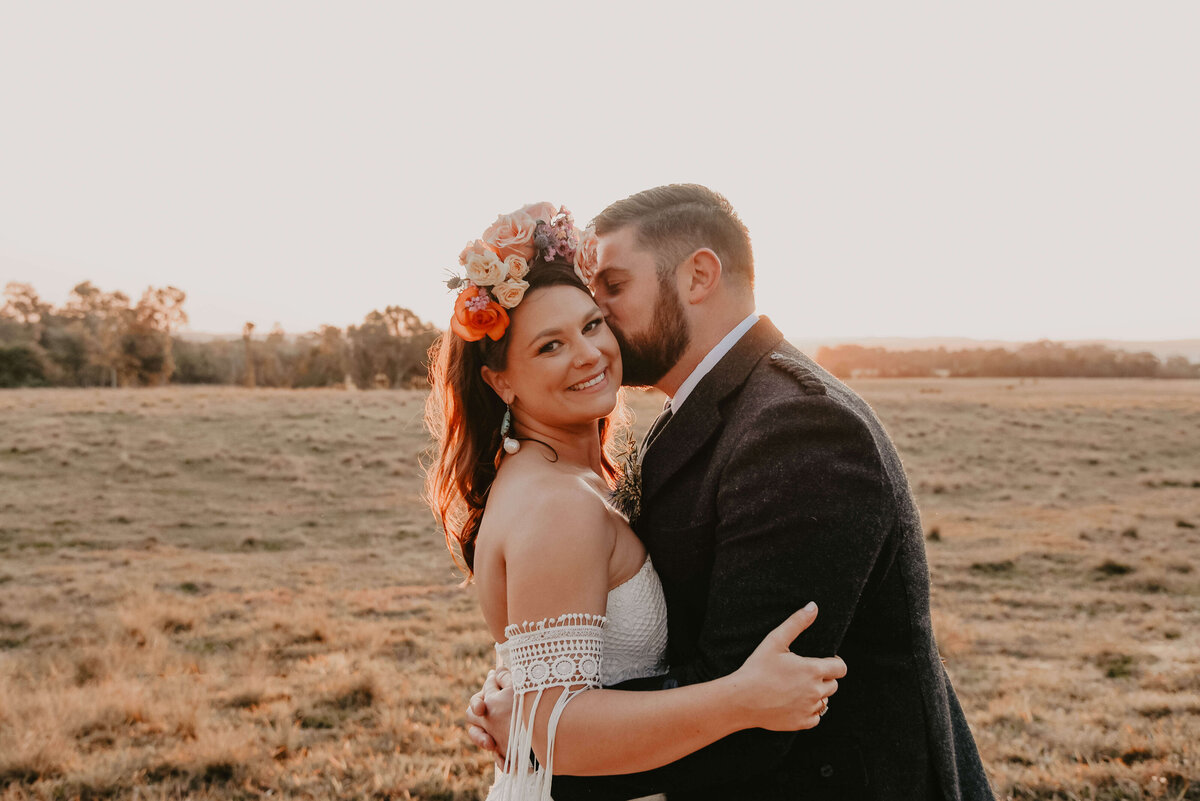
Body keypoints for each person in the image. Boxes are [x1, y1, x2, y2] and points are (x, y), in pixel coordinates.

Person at [466, 186, 995, 800]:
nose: (600, 316)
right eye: (555, 338)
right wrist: (535, 701)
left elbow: (757, 714)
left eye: (611, 288)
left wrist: (541, 739)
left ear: (698, 276)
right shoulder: (686, 418)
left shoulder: (796, 429)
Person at [424, 202, 846, 801]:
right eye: (549, 346)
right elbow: (556, 733)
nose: (589, 354)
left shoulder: (566, 478)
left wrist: (521, 704)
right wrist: (743, 698)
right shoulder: (556, 505)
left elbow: (548, 695)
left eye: (592, 324)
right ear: (501, 381)